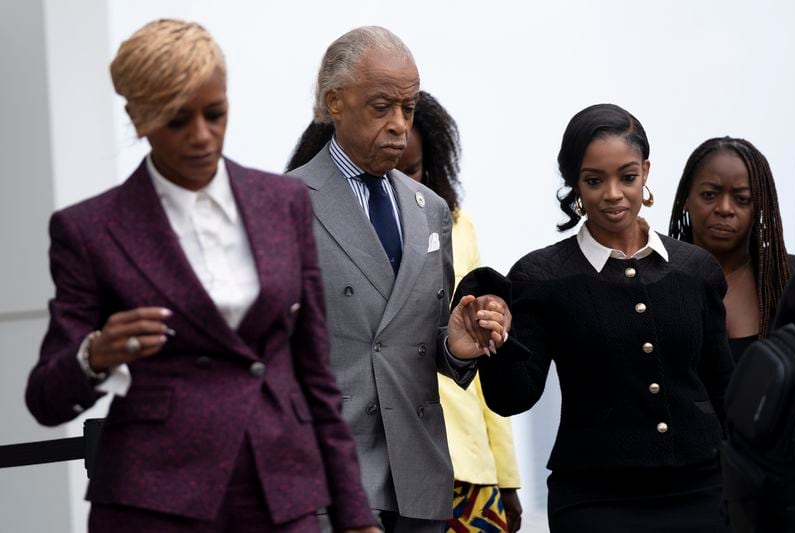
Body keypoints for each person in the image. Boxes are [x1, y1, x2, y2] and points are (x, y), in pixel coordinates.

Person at [25, 19, 379, 533]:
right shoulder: (89, 230)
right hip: (152, 501)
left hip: (282, 494)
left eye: (215, 114)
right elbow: (46, 398)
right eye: (175, 121)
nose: (200, 136)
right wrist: (95, 354)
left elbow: (316, 376)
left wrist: (355, 515)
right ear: (137, 117)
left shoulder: (284, 203)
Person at [459, 104, 734, 532]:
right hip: (594, 498)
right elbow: (513, 398)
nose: (612, 194)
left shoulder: (696, 269)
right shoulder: (541, 276)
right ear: (574, 185)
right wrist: (496, 341)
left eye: (627, 177)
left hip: (703, 491)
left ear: (645, 173)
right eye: (594, 180)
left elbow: (723, 390)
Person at [286, 26, 508, 533]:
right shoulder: (285, 202)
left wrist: (457, 344)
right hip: (328, 474)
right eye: (382, 106)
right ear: (334, 103)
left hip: (419, 476)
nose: (399, 126)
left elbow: (420, 338)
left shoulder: (429, 209)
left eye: (407, 109)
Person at [394, 91, 523, 533]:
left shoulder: (457, 224)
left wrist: (506, 475)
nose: (402, 184)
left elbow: (485, 345)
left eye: (411, 169)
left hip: (467, 463)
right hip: (383, 467)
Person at [669, 136, 795, 362]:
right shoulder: (656, 278)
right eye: (709, 195)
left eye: (742, 199)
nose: (725, 209)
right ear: (685, 199)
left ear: (759, 206)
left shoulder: (792, 279)